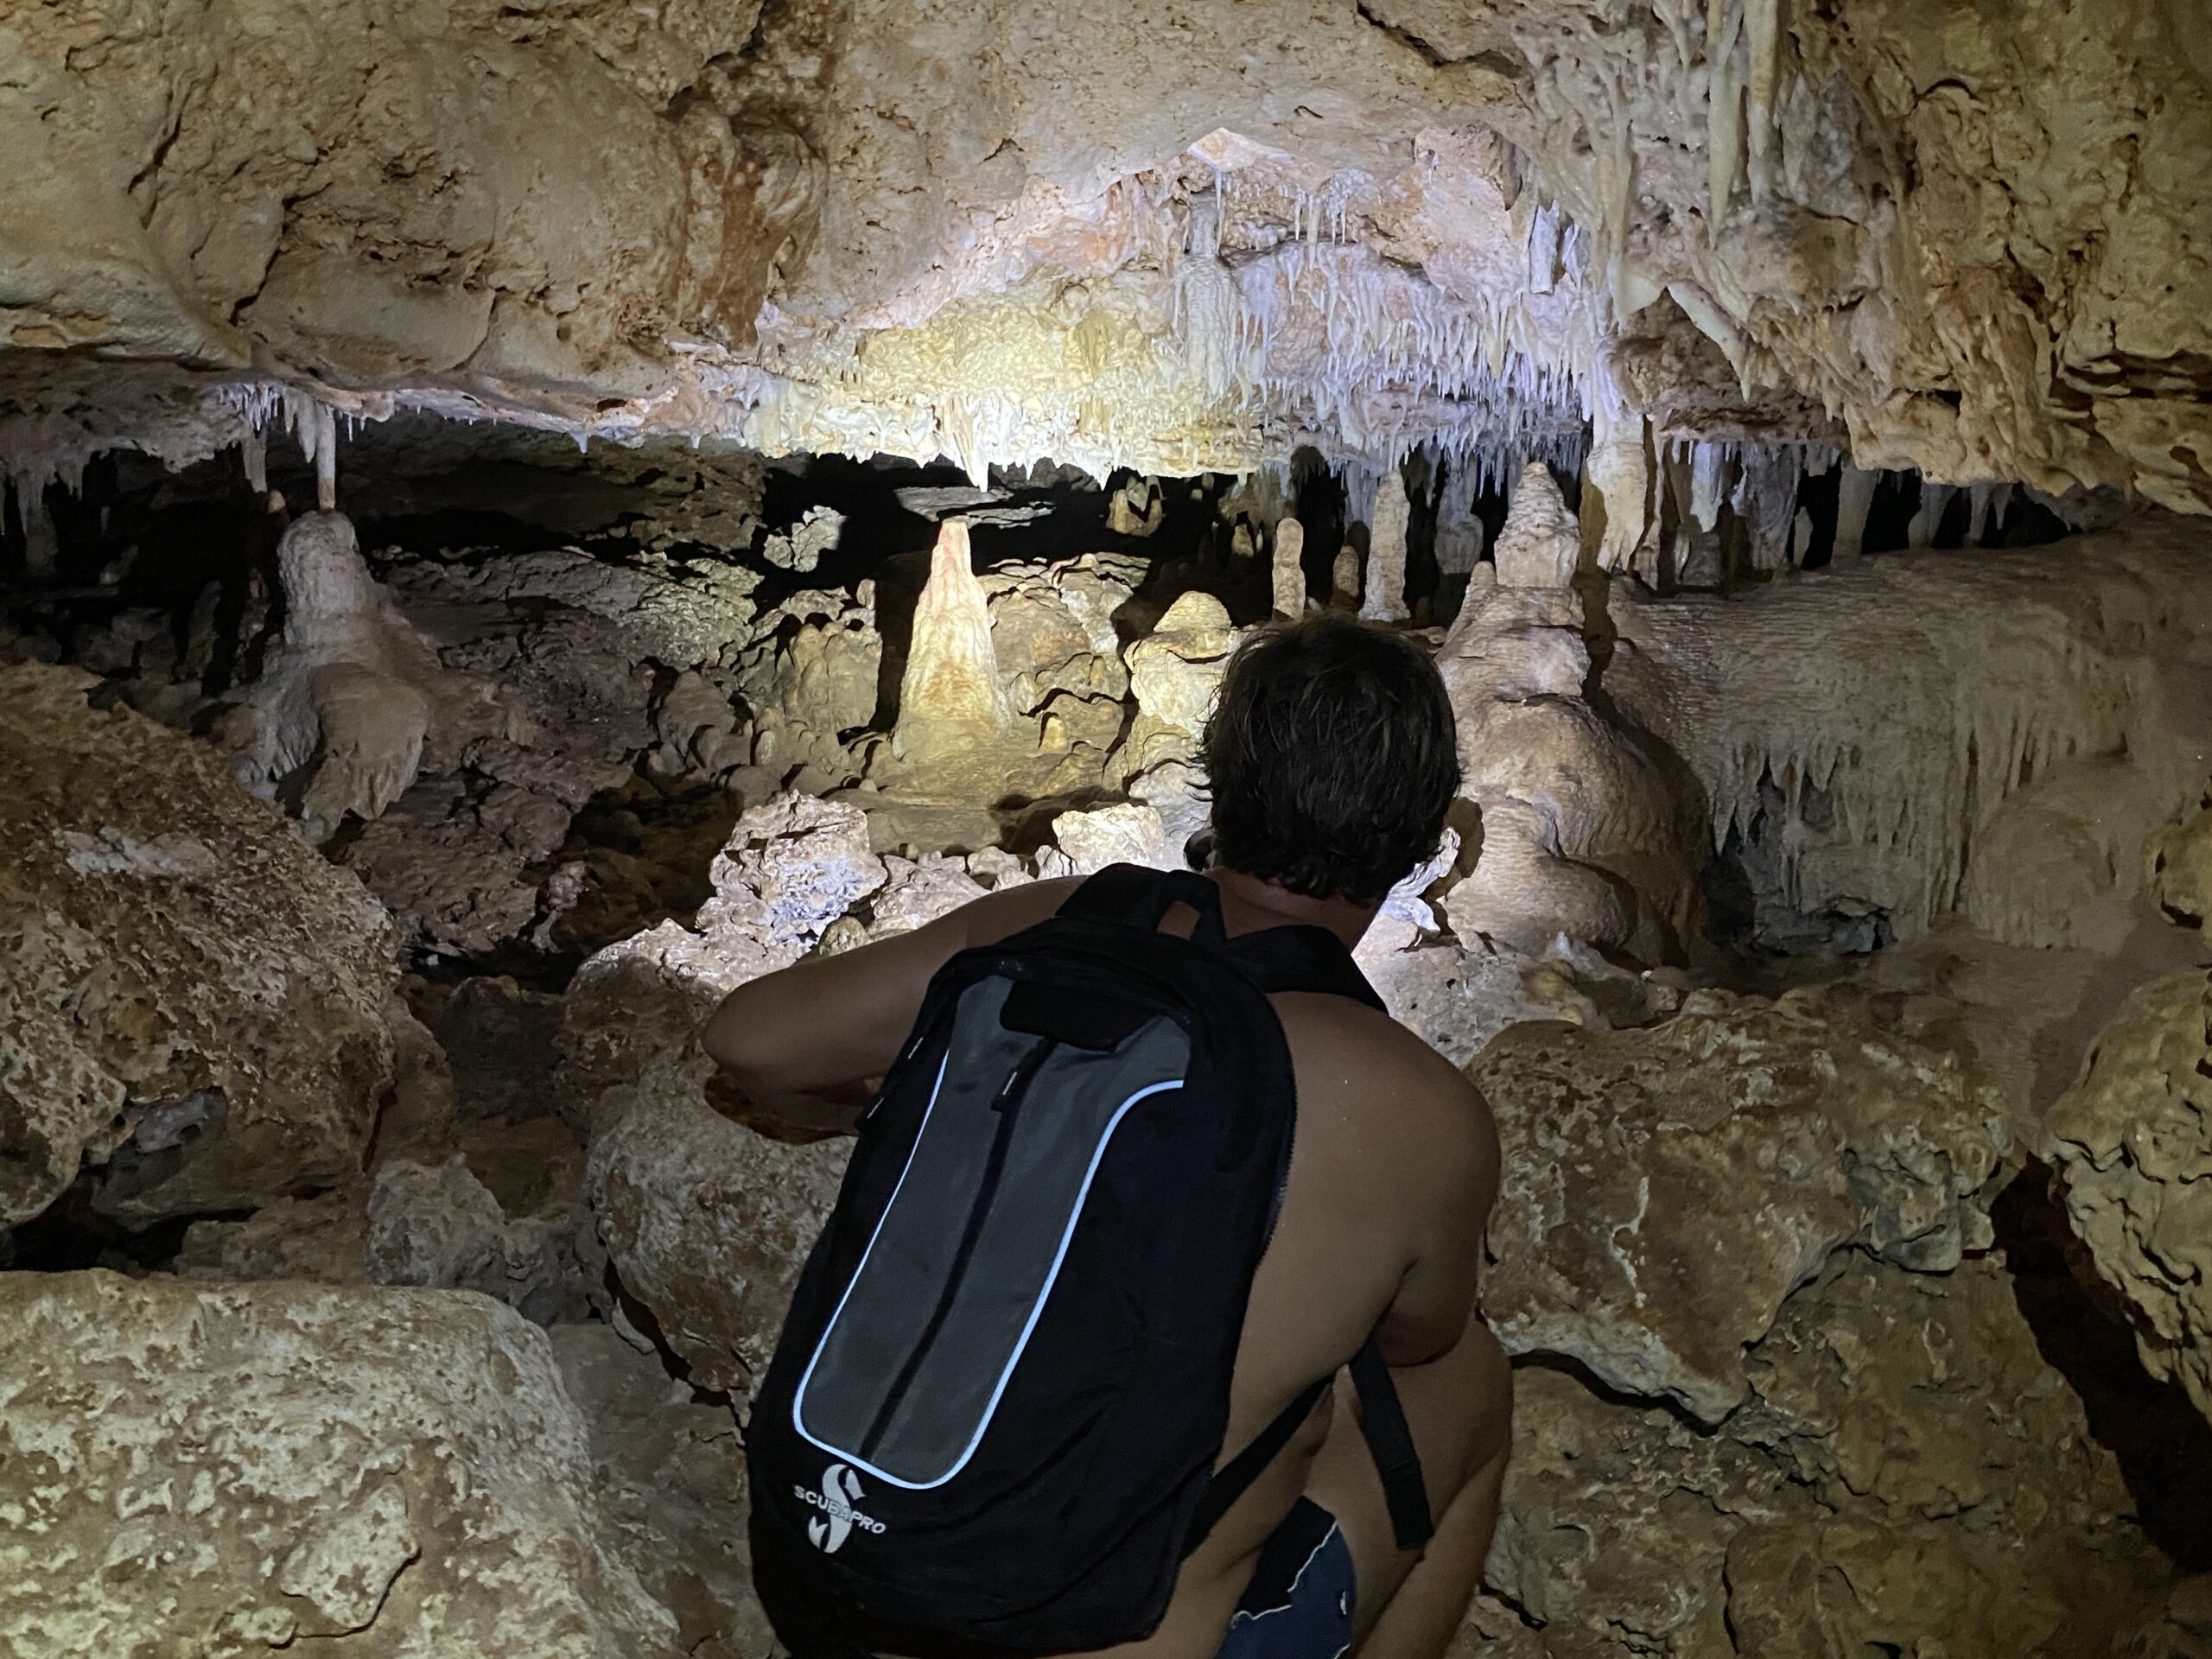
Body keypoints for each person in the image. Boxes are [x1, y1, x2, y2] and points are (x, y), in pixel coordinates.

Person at [704, 613, 1512, 1659]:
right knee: (1467, 1385)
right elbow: (1420, 1338)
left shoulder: (1061, 924)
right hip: (1096, 1623)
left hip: (838, 1580)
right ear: (1415, 843)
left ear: (1222, 788)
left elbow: (750, 1039)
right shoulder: (1417, 1105)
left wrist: (908, 1107)